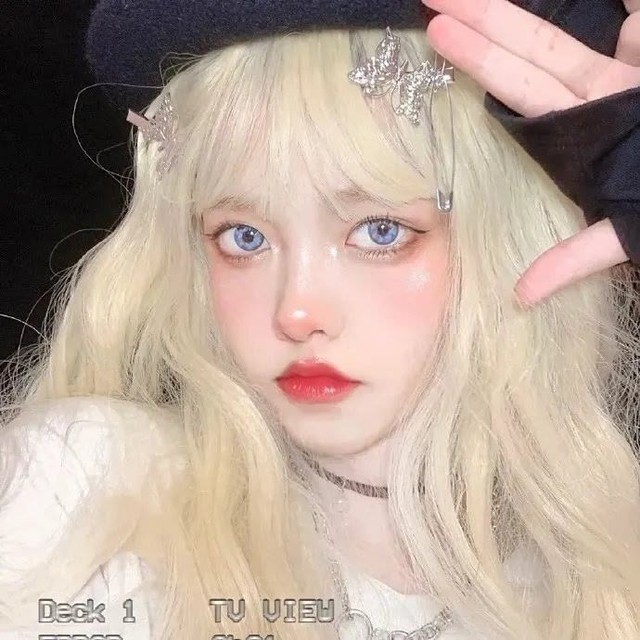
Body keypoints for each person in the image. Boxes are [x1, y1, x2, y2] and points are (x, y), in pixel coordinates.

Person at [1, 1, 639, 639]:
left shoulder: (597, 584)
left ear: (509, 234)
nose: (296, 313)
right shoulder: (95, 496)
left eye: (379, 230)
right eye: (244, 237)